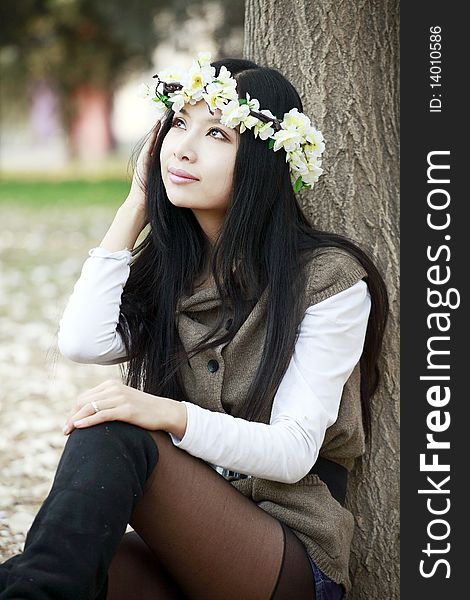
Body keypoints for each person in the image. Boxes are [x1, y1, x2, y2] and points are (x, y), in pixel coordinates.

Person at [0, 53, 389, 600]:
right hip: (184, 553)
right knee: (43, 575)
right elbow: (82, 341)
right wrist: (137, 199)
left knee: (117, 428)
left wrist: (164, 413)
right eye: (178, 124)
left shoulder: (327, 280)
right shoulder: (171, 272)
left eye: (217, 134)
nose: (182, 146)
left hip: (288, 564)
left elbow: (294, 449)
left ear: (261, 159)